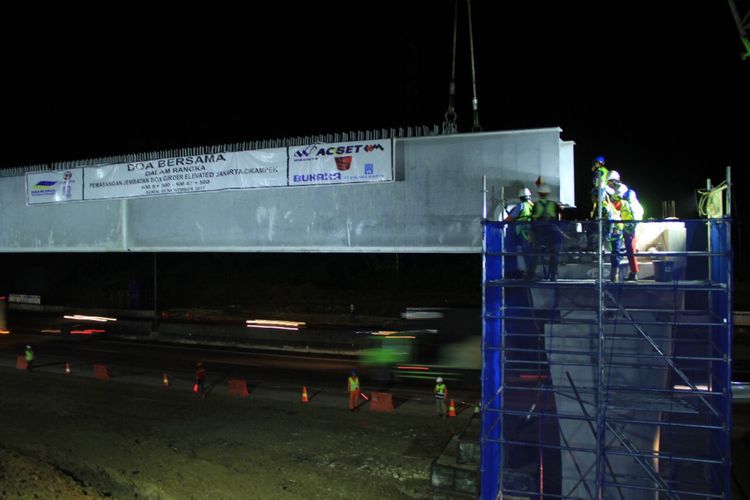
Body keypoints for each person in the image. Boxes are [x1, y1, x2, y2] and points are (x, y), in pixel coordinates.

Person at [607, 170, 644, 280]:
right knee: (626, 249)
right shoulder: (623, 194)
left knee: (630, 249)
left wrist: (633, 224)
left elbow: (631, 210)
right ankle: (631, 273)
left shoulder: (626, 196)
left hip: (629, 224)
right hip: (624, 224)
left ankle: (633, 273)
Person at [529, 184, 561, 281]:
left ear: (539, 194)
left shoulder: (536, 205)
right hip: (551, 231)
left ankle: (531, 274)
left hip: (540, 232)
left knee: (536, 254)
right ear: (548, 194)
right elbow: (560, 216)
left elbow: (532, 220)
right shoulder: (553, 204)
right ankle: (553, 275)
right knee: (554, 254)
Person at [503, 187, 535, 278]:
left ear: (520, 197)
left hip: (524, 231)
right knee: (531, 253)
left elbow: (511, 218)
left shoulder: (521, 206)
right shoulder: (532, 205)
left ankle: (529, 274)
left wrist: (501, 223)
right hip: (533, 231)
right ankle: (530, 272)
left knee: (526, 253)